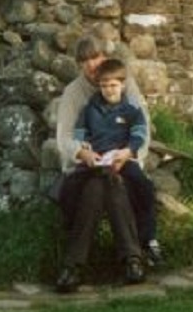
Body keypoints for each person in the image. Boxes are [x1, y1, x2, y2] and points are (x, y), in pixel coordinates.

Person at [53, 33, 163, 266]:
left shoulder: (125, 83)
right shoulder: (75, 94)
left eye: (96, 57)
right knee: (92, 188)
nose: (92, 64)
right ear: (80, 64)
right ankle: (126, 260)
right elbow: (65, 137)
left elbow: (141, 126)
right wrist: (83, 153)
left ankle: (146, 244)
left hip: (121, 157)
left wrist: (129, 153)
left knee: (136, 185)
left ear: (105, 56)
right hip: (91, 161)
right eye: (85, 61)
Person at [54, 58, 148, 293]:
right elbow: (73, 137)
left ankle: (73, 267)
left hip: (122, 165)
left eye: (113, 85)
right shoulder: (85, 105)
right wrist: (83, 151)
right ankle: (132, 260)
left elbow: (141, 135)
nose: (109, 89)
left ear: (122, 84)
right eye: (104, 85)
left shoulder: (131, 105)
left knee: (113, 186)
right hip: (94, 166)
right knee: (97, 188)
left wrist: (127, 154)